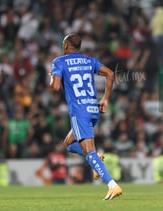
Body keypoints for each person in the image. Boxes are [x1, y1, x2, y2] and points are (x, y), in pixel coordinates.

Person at [49, 33, 122, 200]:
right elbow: (110, 74)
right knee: (68, 144)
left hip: (79, 112)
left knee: (89, 151)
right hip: (93, 109)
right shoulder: (89, 60)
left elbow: (55, 88)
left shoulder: (59, 61)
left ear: (66, 46)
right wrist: (105, 99)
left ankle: (112, 185)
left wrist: (52, 78)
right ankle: (97, 159)